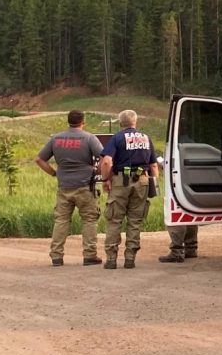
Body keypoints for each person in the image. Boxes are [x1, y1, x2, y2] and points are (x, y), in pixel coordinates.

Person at [36, 109, 105, 267]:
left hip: (64, 186)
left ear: (68, 121)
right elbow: (104, 157)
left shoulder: (56, 139)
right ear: (83, 122)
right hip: (85, 186)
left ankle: (56, 256)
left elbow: (39, 159)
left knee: (61, 220)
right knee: (89, 220)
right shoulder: (89, 138)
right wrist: (97, 171)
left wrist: (54, 173)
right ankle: (89, 255)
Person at [99, 109, 158, 270]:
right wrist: (154, 183)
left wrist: (105, 180)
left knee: (114, 219)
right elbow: (153, 165)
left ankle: (111, 259)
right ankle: (130, 258)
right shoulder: (146, 138)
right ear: (135, 122)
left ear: (120, 123)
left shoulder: (117, 138)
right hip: (142, 180)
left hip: (121, 180)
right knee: (135, 221)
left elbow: (106, 162)